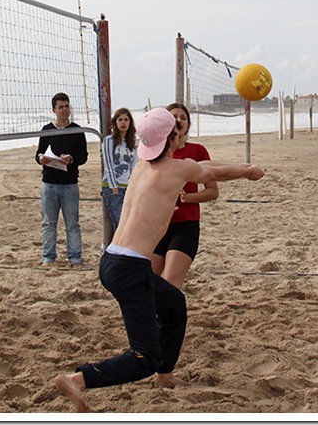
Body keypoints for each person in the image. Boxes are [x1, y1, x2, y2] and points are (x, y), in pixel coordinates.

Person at [54, 108, 265, 412]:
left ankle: (164, 375)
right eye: (176, 129)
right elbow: (211, 172)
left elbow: (202, 165)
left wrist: (245, 166)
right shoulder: (176, 171)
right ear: (172, 137)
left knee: (174, 304)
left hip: (112, 260)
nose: (180, 131)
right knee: (143, 358)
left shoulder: (143, 165)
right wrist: (248, 170)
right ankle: (79, 379)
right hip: (129, 269)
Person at [151, 103, 219, 290]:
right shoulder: (155, 154)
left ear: (188, 125)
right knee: (150, 282)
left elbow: (213, 191)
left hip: (185, 225)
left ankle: (169, 319)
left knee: (170, 282)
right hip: (158, 226)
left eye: (183, 117)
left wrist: (187, 198)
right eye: (174, 117)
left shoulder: (197, 151)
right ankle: (154, 318)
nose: (179, 120)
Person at [35, 92, 88, 268]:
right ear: (54, 110)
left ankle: (75, 258)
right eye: (61, 107)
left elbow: (84, 156)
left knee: (72, 223)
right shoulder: (47, 129)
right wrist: (41, 159)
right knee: (48, 223)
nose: (65, 110)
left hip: (69, 184)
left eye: (67, 106)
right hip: (49, 183)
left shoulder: (77, 130)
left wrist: (71, 159)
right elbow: (38, 153)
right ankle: (48, 257)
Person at [101, 107, 138, 230]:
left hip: (128, 188)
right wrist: (114, 187)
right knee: (120, 226)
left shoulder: (133, 143)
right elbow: (108, 164)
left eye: (126, 120)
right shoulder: (109, 141)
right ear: (115, 123)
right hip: (113, 188)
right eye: (120, 119)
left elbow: (134, 166)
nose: (123, 122)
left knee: (129, 225)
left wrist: (133, 187)